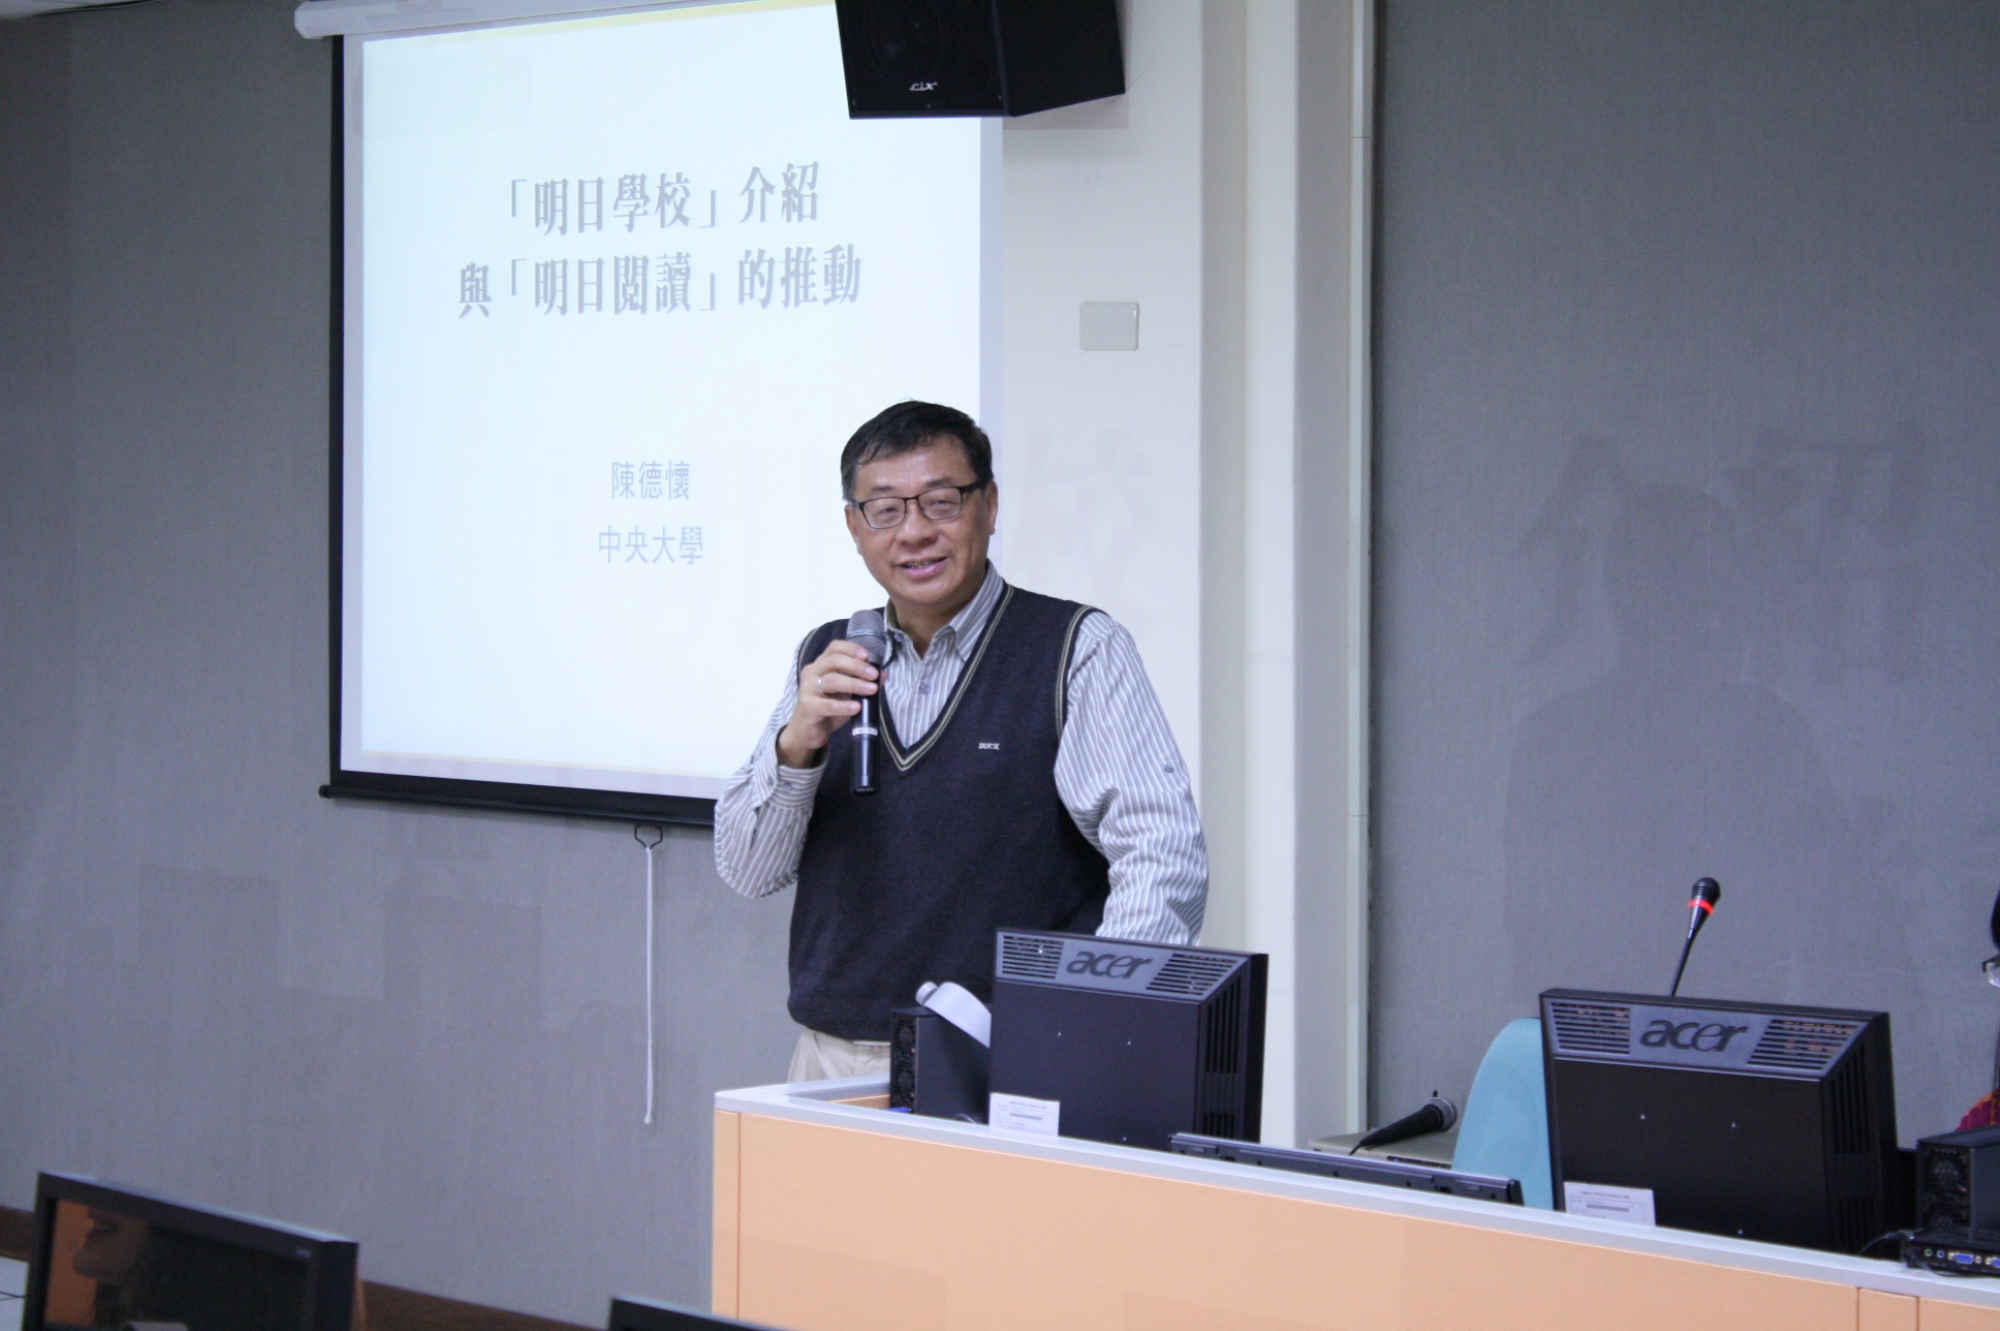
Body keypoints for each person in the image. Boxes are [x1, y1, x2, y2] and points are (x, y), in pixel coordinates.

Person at [714, 401, 1206, 1081]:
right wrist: (796, 746)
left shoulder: (1074, 648)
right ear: (854, 527)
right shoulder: (828, 655)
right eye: (885, 510)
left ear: (990, 506)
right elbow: (749, 870)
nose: (915, 532)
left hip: (1010, 1058)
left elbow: (1161, 855)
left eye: (941, 502)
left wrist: (1089, 1024)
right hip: (833, 1055)